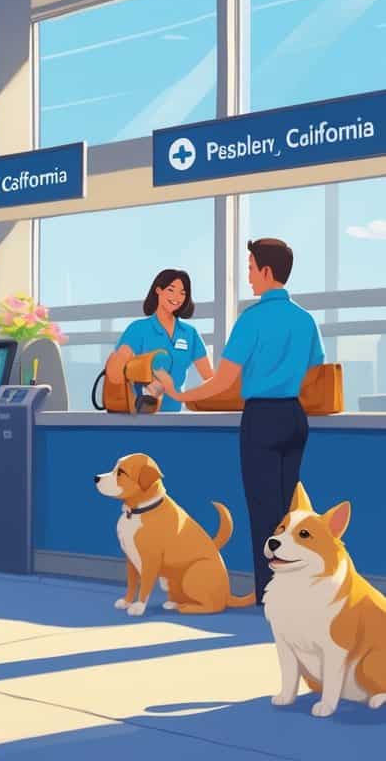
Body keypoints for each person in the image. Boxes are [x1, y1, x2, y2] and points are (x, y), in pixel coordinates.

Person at [158, 239, 323, 603]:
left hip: (262, 417)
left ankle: (270, 592)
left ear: (266, 271)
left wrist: (180, 394)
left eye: (250, 267)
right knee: (290, 509)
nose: (248, 276)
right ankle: (295, 591)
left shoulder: (253, 319)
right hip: (295, 418)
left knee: (264, 510)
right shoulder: (305, 319)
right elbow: (315, 372)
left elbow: (222, 381)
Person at [105, 269, 213, 413]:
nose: (177, 297)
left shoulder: (190, 333)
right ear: (158, 290)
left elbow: (209, 377)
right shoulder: (138, 329)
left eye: (182, 293)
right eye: (171, 290)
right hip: (140, 417)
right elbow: (117, 368)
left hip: (177, 418)